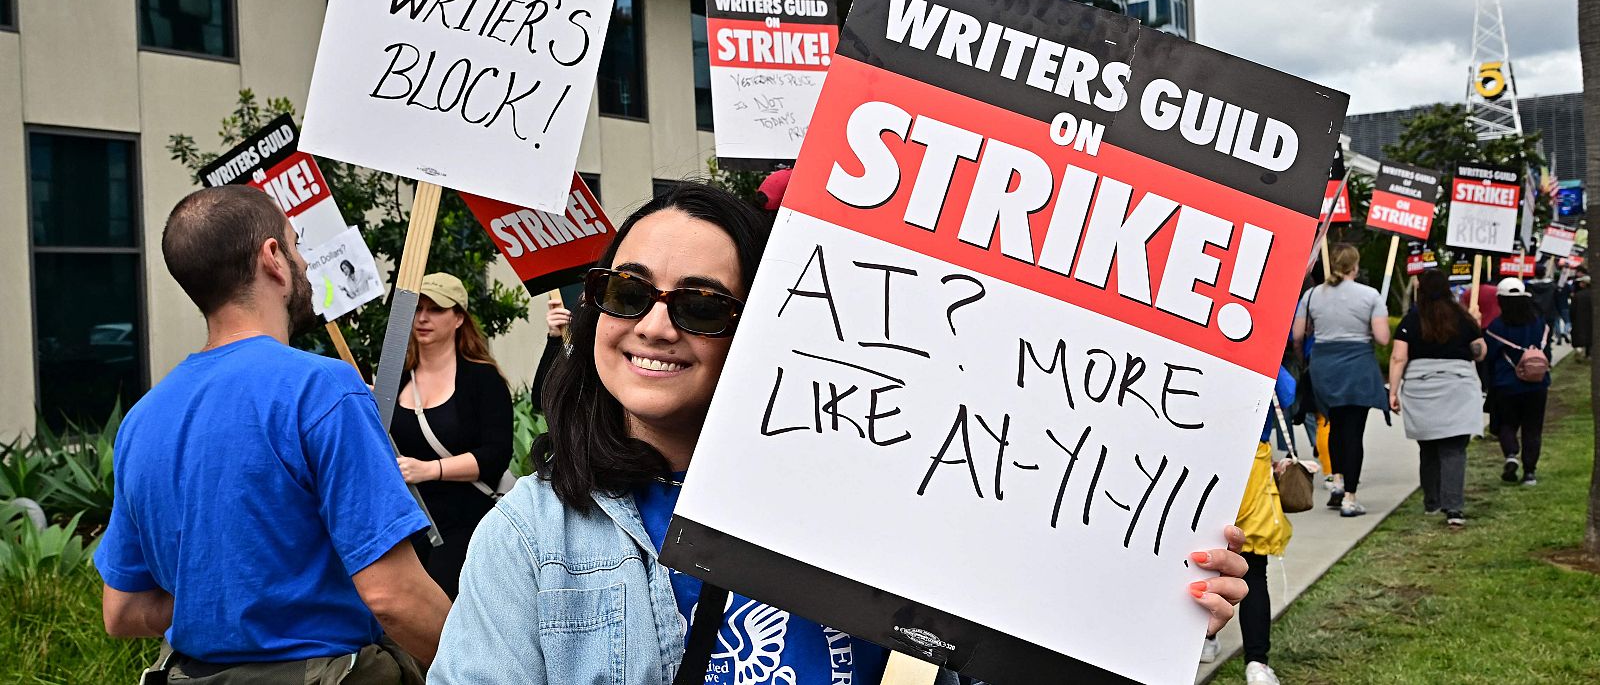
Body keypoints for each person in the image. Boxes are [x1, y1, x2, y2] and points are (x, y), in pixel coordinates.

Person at [429, 182, 1251, 684]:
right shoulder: (528, 537)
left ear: (761, 327)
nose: (654, 324)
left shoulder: (879, 509)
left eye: (702, 304)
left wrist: (1131, 617)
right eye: (627, 290)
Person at [97, 185, 449, 682]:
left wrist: (237, 596)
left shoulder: (140, 421)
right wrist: (492, 668)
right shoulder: (322, 389)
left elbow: (123, 610)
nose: (303, 261)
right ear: (272, 258)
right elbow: (394, 596)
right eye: (296, 244)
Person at [390, 272, 515, 599]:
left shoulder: (482, 379)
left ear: (459, 318)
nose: (423, 318)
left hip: (468, 526)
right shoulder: (396, 379)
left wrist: (429, 470)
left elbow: (496, 455)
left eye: (436, 309)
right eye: (418, 308)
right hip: (411, 528)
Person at [1202, 348, 1297, 685]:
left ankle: (1204, 639)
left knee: (1202, 560)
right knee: (1253, 570)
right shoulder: (1260, 348)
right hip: (1251, 469)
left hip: (1204, 459)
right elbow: (1287, 393)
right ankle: (1257, 663)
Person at [1292, 243, 1391, 518]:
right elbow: (1383, 338)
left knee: (1333, 424)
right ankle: (1350, 497)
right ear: (1355, 266)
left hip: (1324, 366)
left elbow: (1298, 336)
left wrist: (1305, 361)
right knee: (1354, 432)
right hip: (1358, 366)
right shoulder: (1369, 295)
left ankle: (1336, 481)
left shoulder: (1312, 295)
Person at [1387, 270, 1486, 527]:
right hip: (1458, 387)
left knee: (1428, 447)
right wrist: (1476, 325)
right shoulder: (1463, 318)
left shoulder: (1411, 319)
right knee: (1454, 449)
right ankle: (1453, 508)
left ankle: (1432, 502)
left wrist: (1393, 391)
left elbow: (1399, 357)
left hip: (1421, 389)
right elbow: (1479, 353)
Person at [1484, 278, 1553, 487]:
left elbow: (1488, 357)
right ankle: (1529, 473)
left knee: (1507, 423)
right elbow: (1547, 353)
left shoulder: (1496, 327)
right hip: (1538, 384)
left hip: (1506, 384)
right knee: (1533, 428)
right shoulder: (1539, 324)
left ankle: (1511, 455)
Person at [1572, 275, 1592, 360]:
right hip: (1591, 319)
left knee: (1581, 336)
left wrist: (1572, 319)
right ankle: (1588, 354)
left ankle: (1580, 352)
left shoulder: (1578, 295)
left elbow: (1572, 310)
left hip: (1580, 319)